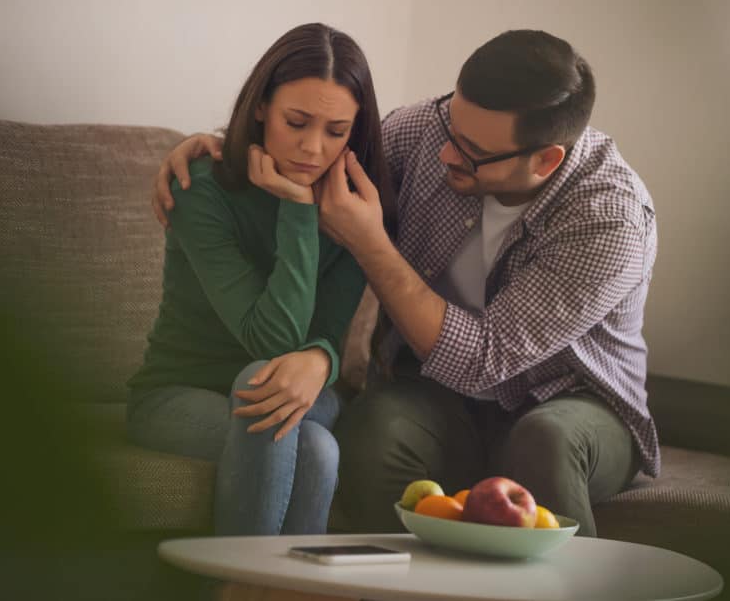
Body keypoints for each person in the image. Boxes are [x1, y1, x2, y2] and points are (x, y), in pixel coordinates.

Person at [152, 30, 657, 537]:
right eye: (451, 126)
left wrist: (369, 244)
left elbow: (482, 361)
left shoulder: (608, 221)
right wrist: (219, 147)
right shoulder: (422, 132)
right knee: (373, 428)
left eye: (472, 151)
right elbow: (317, 149)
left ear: (545, 159)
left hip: (573, 403)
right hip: (436, 398)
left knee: (544, 439)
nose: (445, 155)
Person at [127, 22, 395, 536]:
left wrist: (322, 358)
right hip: (177, 394)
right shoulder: (200, 189)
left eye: (335, 132)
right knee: (306, 439)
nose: (313, 149)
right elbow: (271, 341)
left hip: (304, 387)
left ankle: (240, 587)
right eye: (296, 122)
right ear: (260, 107)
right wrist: (297, 209)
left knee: (268, 393)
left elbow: (326, 333)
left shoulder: (355, 208)